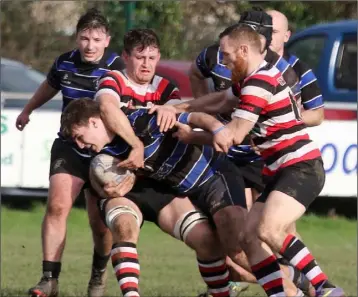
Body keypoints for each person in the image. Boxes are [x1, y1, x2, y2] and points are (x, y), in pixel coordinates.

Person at [174, 25, 345, 297]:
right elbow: (219, 102)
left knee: (269, 230)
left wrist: (185, 120)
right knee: (248, 238)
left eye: (228, 55)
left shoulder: (258, 83)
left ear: (244, 51)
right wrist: (177, 108)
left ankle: (325, 288)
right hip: (279, 170)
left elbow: (234, 134)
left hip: (300, 167)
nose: (224, 61)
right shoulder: (248, 80)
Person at [60, 98, 251, 297]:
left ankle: (279, 279)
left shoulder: (142, 117)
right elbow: (93, 170)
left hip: (189, 182)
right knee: (124, 225)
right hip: (141, 191)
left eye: (80, 137)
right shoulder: (98, 148)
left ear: (94, 122)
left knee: (219, 244)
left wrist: (216, 128)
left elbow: (190, 113)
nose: (80, 145)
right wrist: (106, 189)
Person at [15, 8, 126, 297]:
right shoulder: (64, 63)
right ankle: (49, 278)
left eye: (96, 39)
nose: (90, 45)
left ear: (106, 40)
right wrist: (28, 109)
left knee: (99, 223)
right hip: (69, 145)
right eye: (84, 38)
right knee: (57, 206)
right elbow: (49, 86)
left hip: (105, 151)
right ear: (77, 38)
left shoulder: (117, 67)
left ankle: (97, 279)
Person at [266, 9, 324, 126]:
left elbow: (317, 114)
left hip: (280, 141)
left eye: (274, 32)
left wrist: (284, 120)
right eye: (264, 31)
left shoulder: (299, 69)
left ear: (286, 36)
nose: (268, 37)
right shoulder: (244, 63)